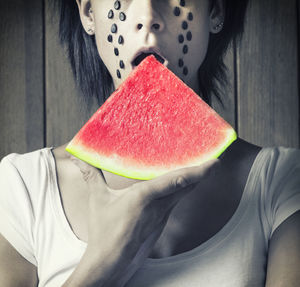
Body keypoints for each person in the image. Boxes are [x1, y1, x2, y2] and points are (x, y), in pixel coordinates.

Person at [0, 0, 300, 286]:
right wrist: (102, 266)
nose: (147, 17)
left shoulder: (283, 184)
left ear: (215, 10)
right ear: (89, 12)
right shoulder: (24, 186)